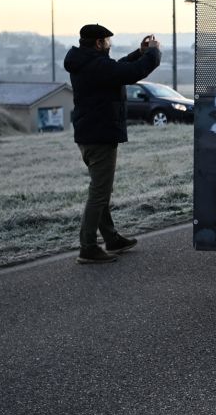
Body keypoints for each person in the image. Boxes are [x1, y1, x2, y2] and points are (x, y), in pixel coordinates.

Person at [64, 24, 161, 264]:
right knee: (99, 193)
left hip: (89, 134)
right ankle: (88, 246)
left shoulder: (86, 62)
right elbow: (130, 73)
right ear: (98, 43)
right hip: (100, 136)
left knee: (100, 189)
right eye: (107, 41)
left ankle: (111, 238)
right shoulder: (96, 65)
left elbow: (116, 68)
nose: (109, 44)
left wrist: (139, 52)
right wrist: (153, 54)